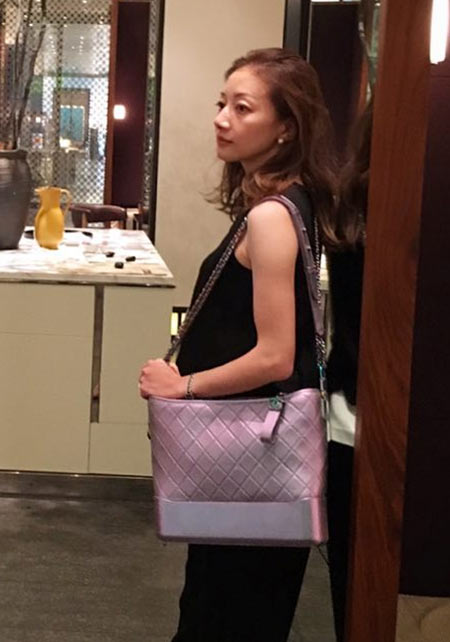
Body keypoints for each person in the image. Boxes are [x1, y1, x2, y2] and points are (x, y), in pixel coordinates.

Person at [139, 48, 337, 642]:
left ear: (286, 127)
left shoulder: (273, 217)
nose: (221, 118)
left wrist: (183, 385)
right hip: (253, 456)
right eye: (222, 103)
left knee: (222, 615)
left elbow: (276, 355)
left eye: (243, 107)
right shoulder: (291, 205)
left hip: (250, 457)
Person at [326, 98, 373, 642]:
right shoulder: (386, 203)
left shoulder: (349, 203)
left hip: (347, 406)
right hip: (373, 408)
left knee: (351, 582)